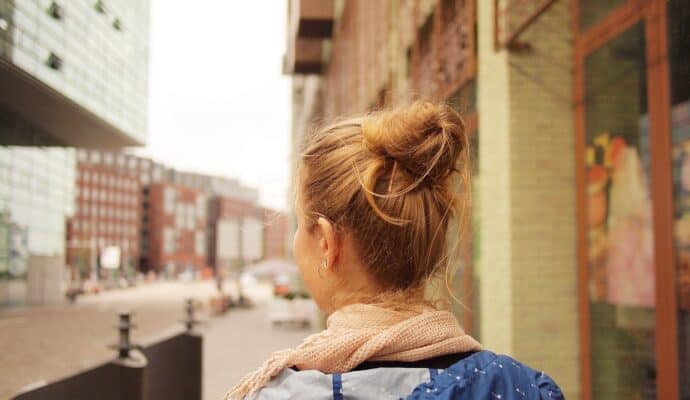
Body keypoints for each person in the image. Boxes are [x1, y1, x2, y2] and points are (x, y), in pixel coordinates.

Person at [225, 101, 564, 399]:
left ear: (327, 243)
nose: (298, 240)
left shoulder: (281, 393)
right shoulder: (521, 388)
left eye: (301, 222)